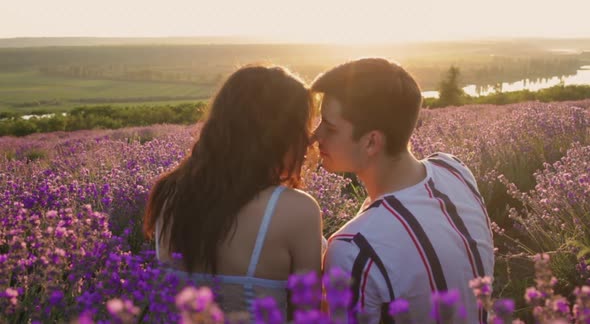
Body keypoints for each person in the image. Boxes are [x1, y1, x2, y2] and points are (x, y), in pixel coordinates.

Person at [314, 58, 494, 324]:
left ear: (371, 141)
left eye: (329, 127)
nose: (315, 136)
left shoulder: (354, 248)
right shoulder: (454, 171)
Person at [143, 65, 323, 318]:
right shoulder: (296, 210)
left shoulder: (168, 194)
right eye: (303, 127)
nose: (309, 140)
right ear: (282, 133)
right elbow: (308, 313)